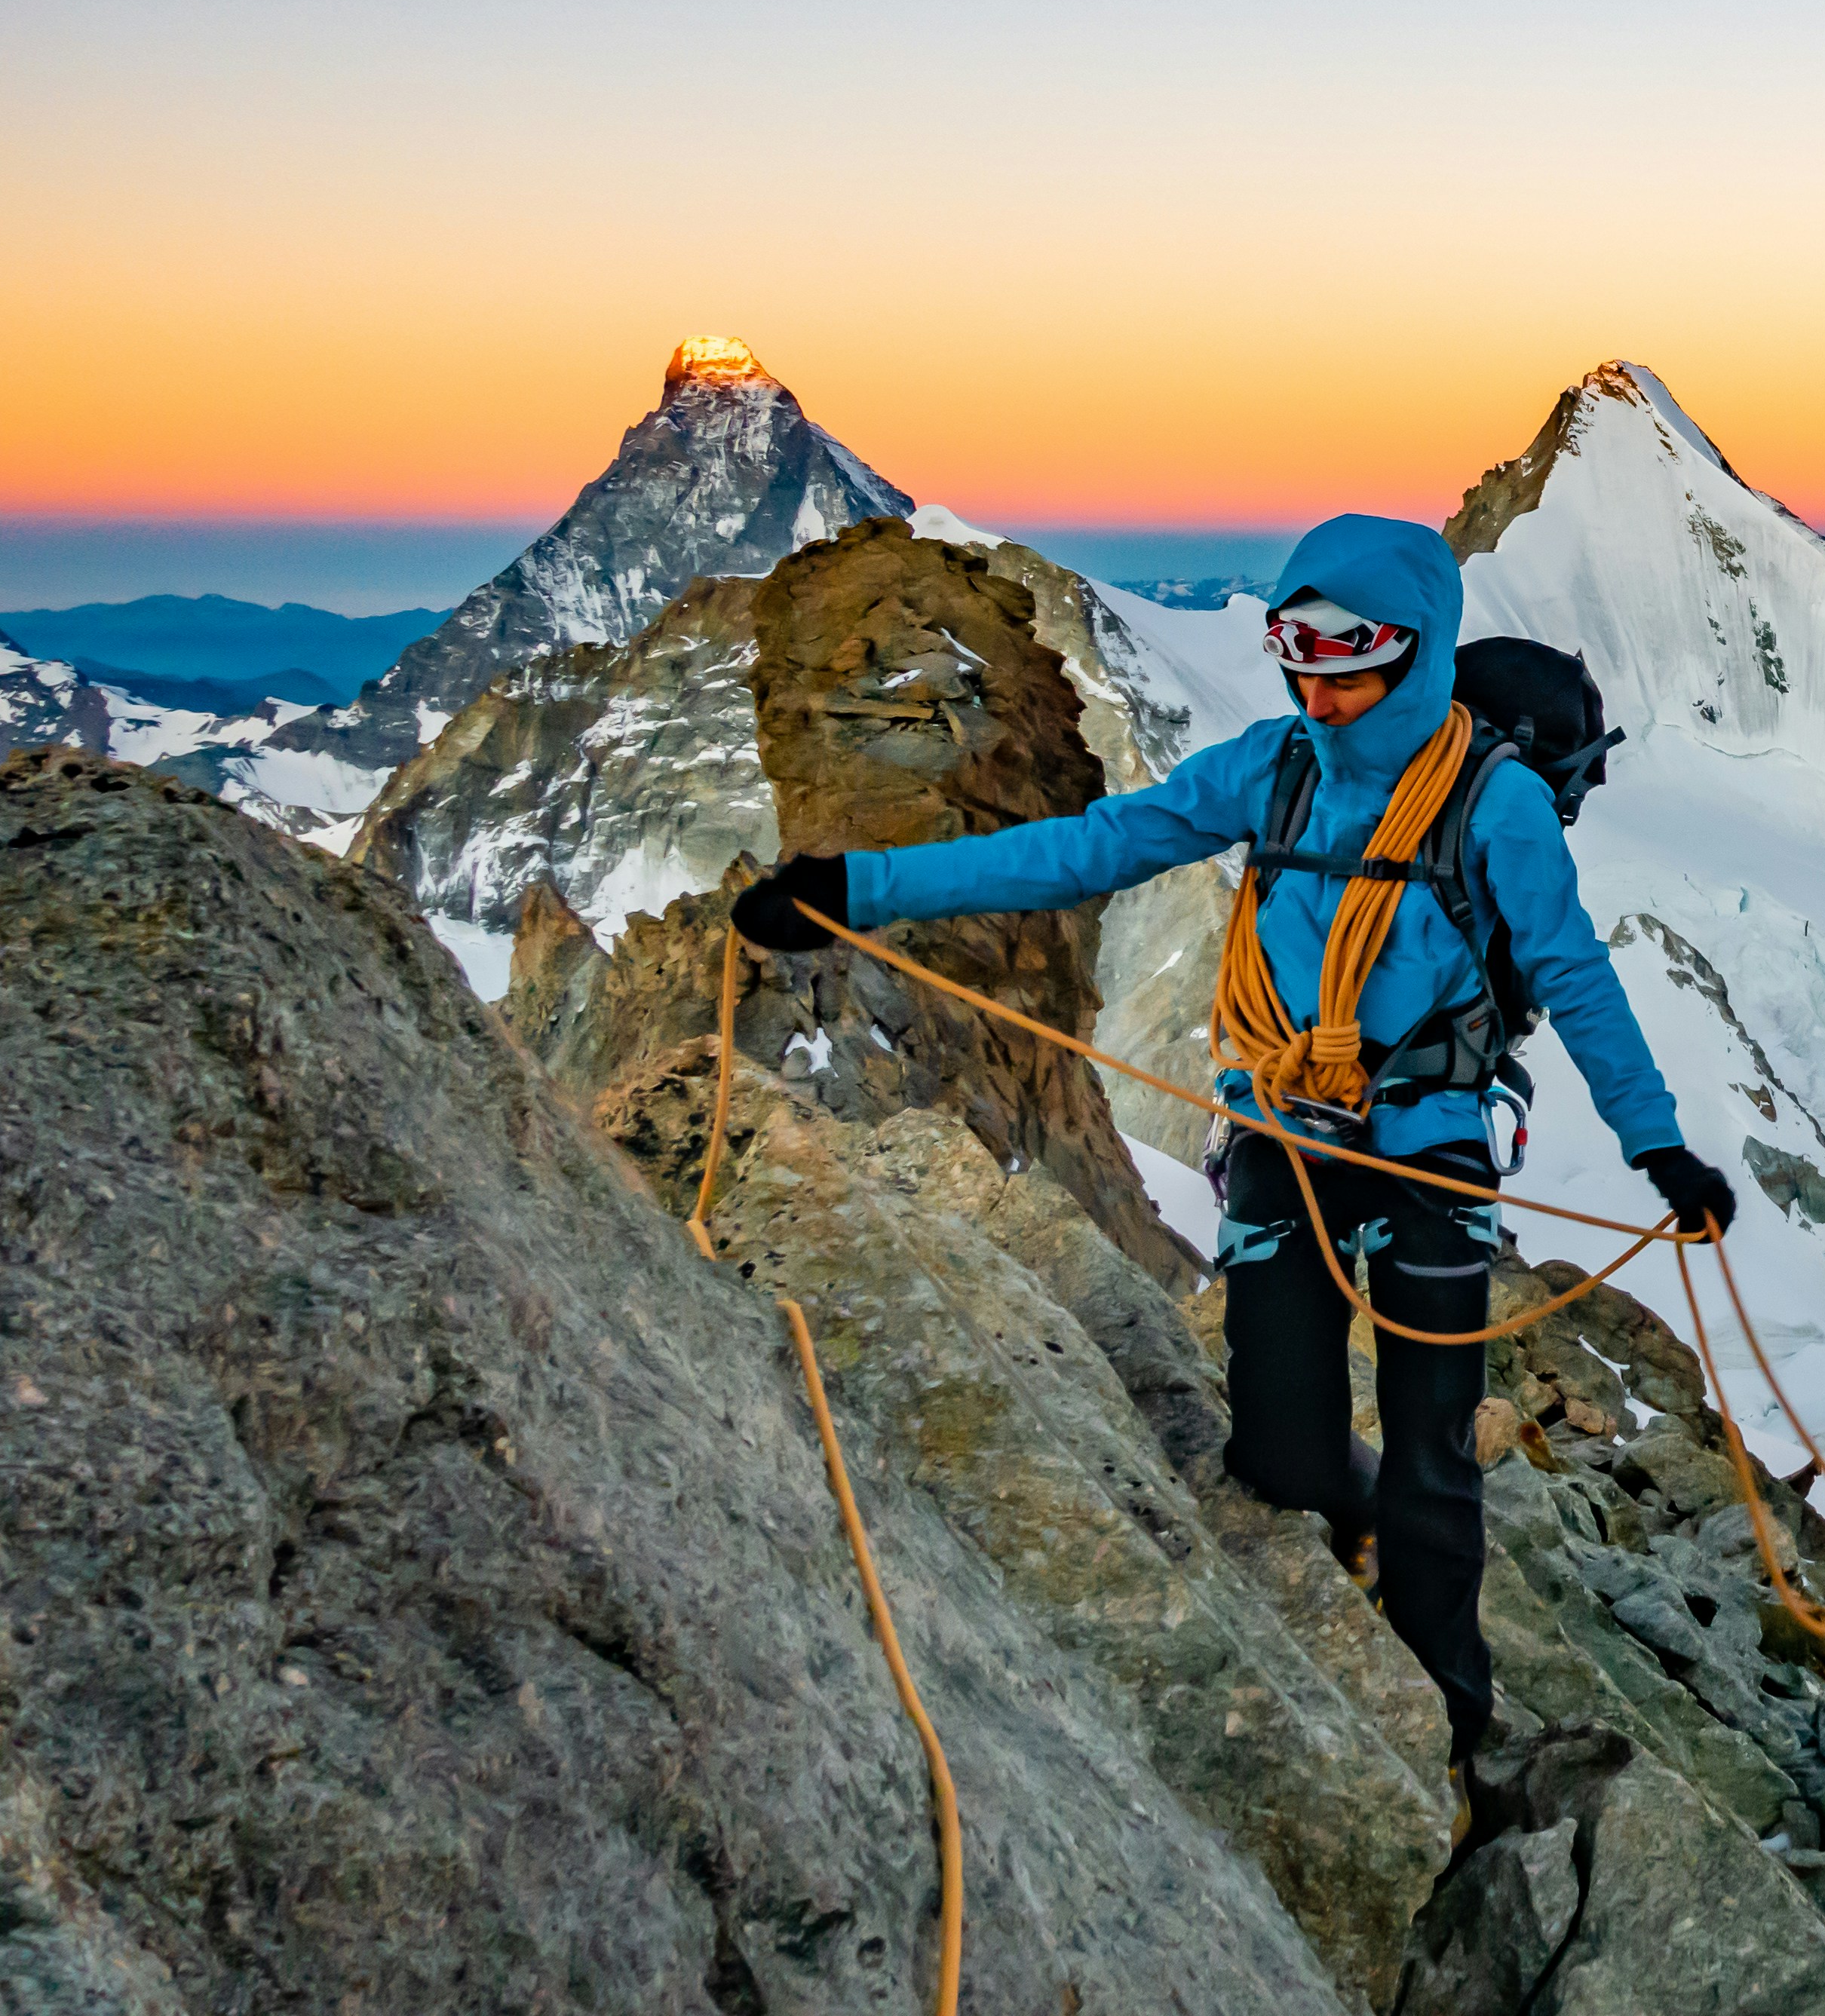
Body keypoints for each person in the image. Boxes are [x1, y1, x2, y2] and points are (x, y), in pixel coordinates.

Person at [732, 512, 1738, 1782]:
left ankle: (1448, 1727)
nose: (1318, 690)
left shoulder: (1498, 804)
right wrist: (854, 891)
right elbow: (1087, 852)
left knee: (1436, 1447)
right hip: (1279, 1117)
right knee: (1281, 1452)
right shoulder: (1274, 770)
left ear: (1419, 658)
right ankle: (1356, 1518)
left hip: (1427, 1134)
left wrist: (1659, 1149)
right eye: (1297, 660)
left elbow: (1574, 978)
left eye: (1348, 664)